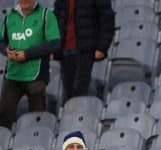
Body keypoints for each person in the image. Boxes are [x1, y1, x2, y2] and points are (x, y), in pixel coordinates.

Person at [0, 0, 61, 128]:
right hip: (12, 75)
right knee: (3, 118)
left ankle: (36, 146)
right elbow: (1, 41)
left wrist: (27, 54)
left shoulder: (46, 15)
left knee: (37, 120)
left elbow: (55, 43)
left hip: (36, 77)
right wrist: (6, 50)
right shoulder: (9, 17)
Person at [53, 0, 114, 101]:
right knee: (68, 90)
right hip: (65, 50)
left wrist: (102, 47)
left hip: (86, 49)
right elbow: (55, 20)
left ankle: (79, 114)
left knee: (80, 88)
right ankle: (70, 115)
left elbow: (107, 20)